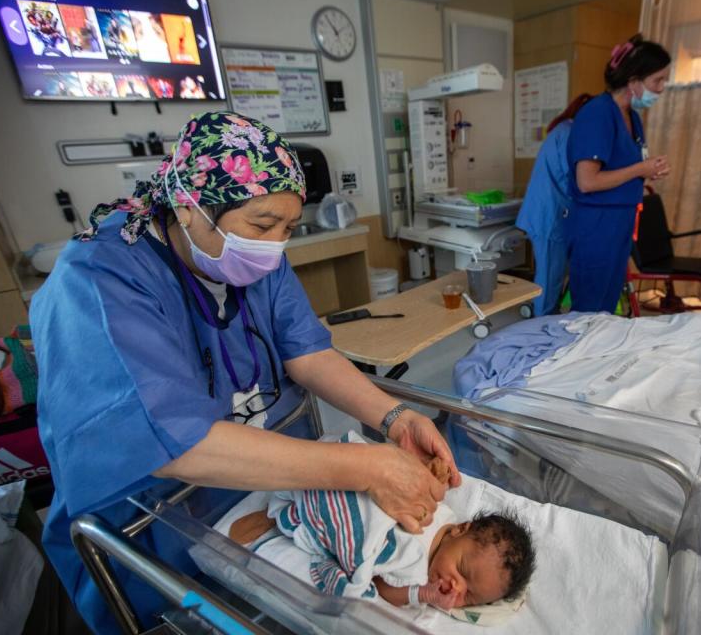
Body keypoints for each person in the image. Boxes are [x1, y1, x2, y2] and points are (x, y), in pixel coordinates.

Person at [30, 111, 461, 634]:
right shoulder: (97, 282)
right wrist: (368, 467)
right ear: (189, 206)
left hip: (265, 491)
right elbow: (176, 444)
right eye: (262, 225)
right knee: (186, 618)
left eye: (288, 228)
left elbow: (306, 351)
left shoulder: (257, 257)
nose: (276, 245)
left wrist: (394, 416)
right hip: (148, 520)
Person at [231, 433, 535, 611]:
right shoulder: (445, 513)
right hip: (351, 480)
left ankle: (289, 518)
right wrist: (431, 472)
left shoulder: (416, 574)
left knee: (353, 582)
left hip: (346, 521)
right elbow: (412, 484)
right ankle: (301, 493)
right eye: (463, 570)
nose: (455, 586)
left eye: (468, 596)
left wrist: (422, 595)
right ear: (460, 530)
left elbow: (380, 586)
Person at [565, 34, 671, 313]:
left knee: (608, 303)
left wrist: (648, 172)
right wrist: (639, 169)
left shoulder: (632, 117)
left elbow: (621, 169)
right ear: (634, 81)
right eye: (657, 81)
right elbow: (587, 182)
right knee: (590, 306)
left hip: (619, 222)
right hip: (597, 224)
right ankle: (582, 354)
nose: (661, 89)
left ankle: (601, 353)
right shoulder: (597, 114)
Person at [516, 94, 591, 316]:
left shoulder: (564, 129)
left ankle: (547, 316)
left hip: (552, 214)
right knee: (549, 278)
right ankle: (540, 328)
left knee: (554, 275)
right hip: (548, 216)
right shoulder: (569, 133)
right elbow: (579, 178)